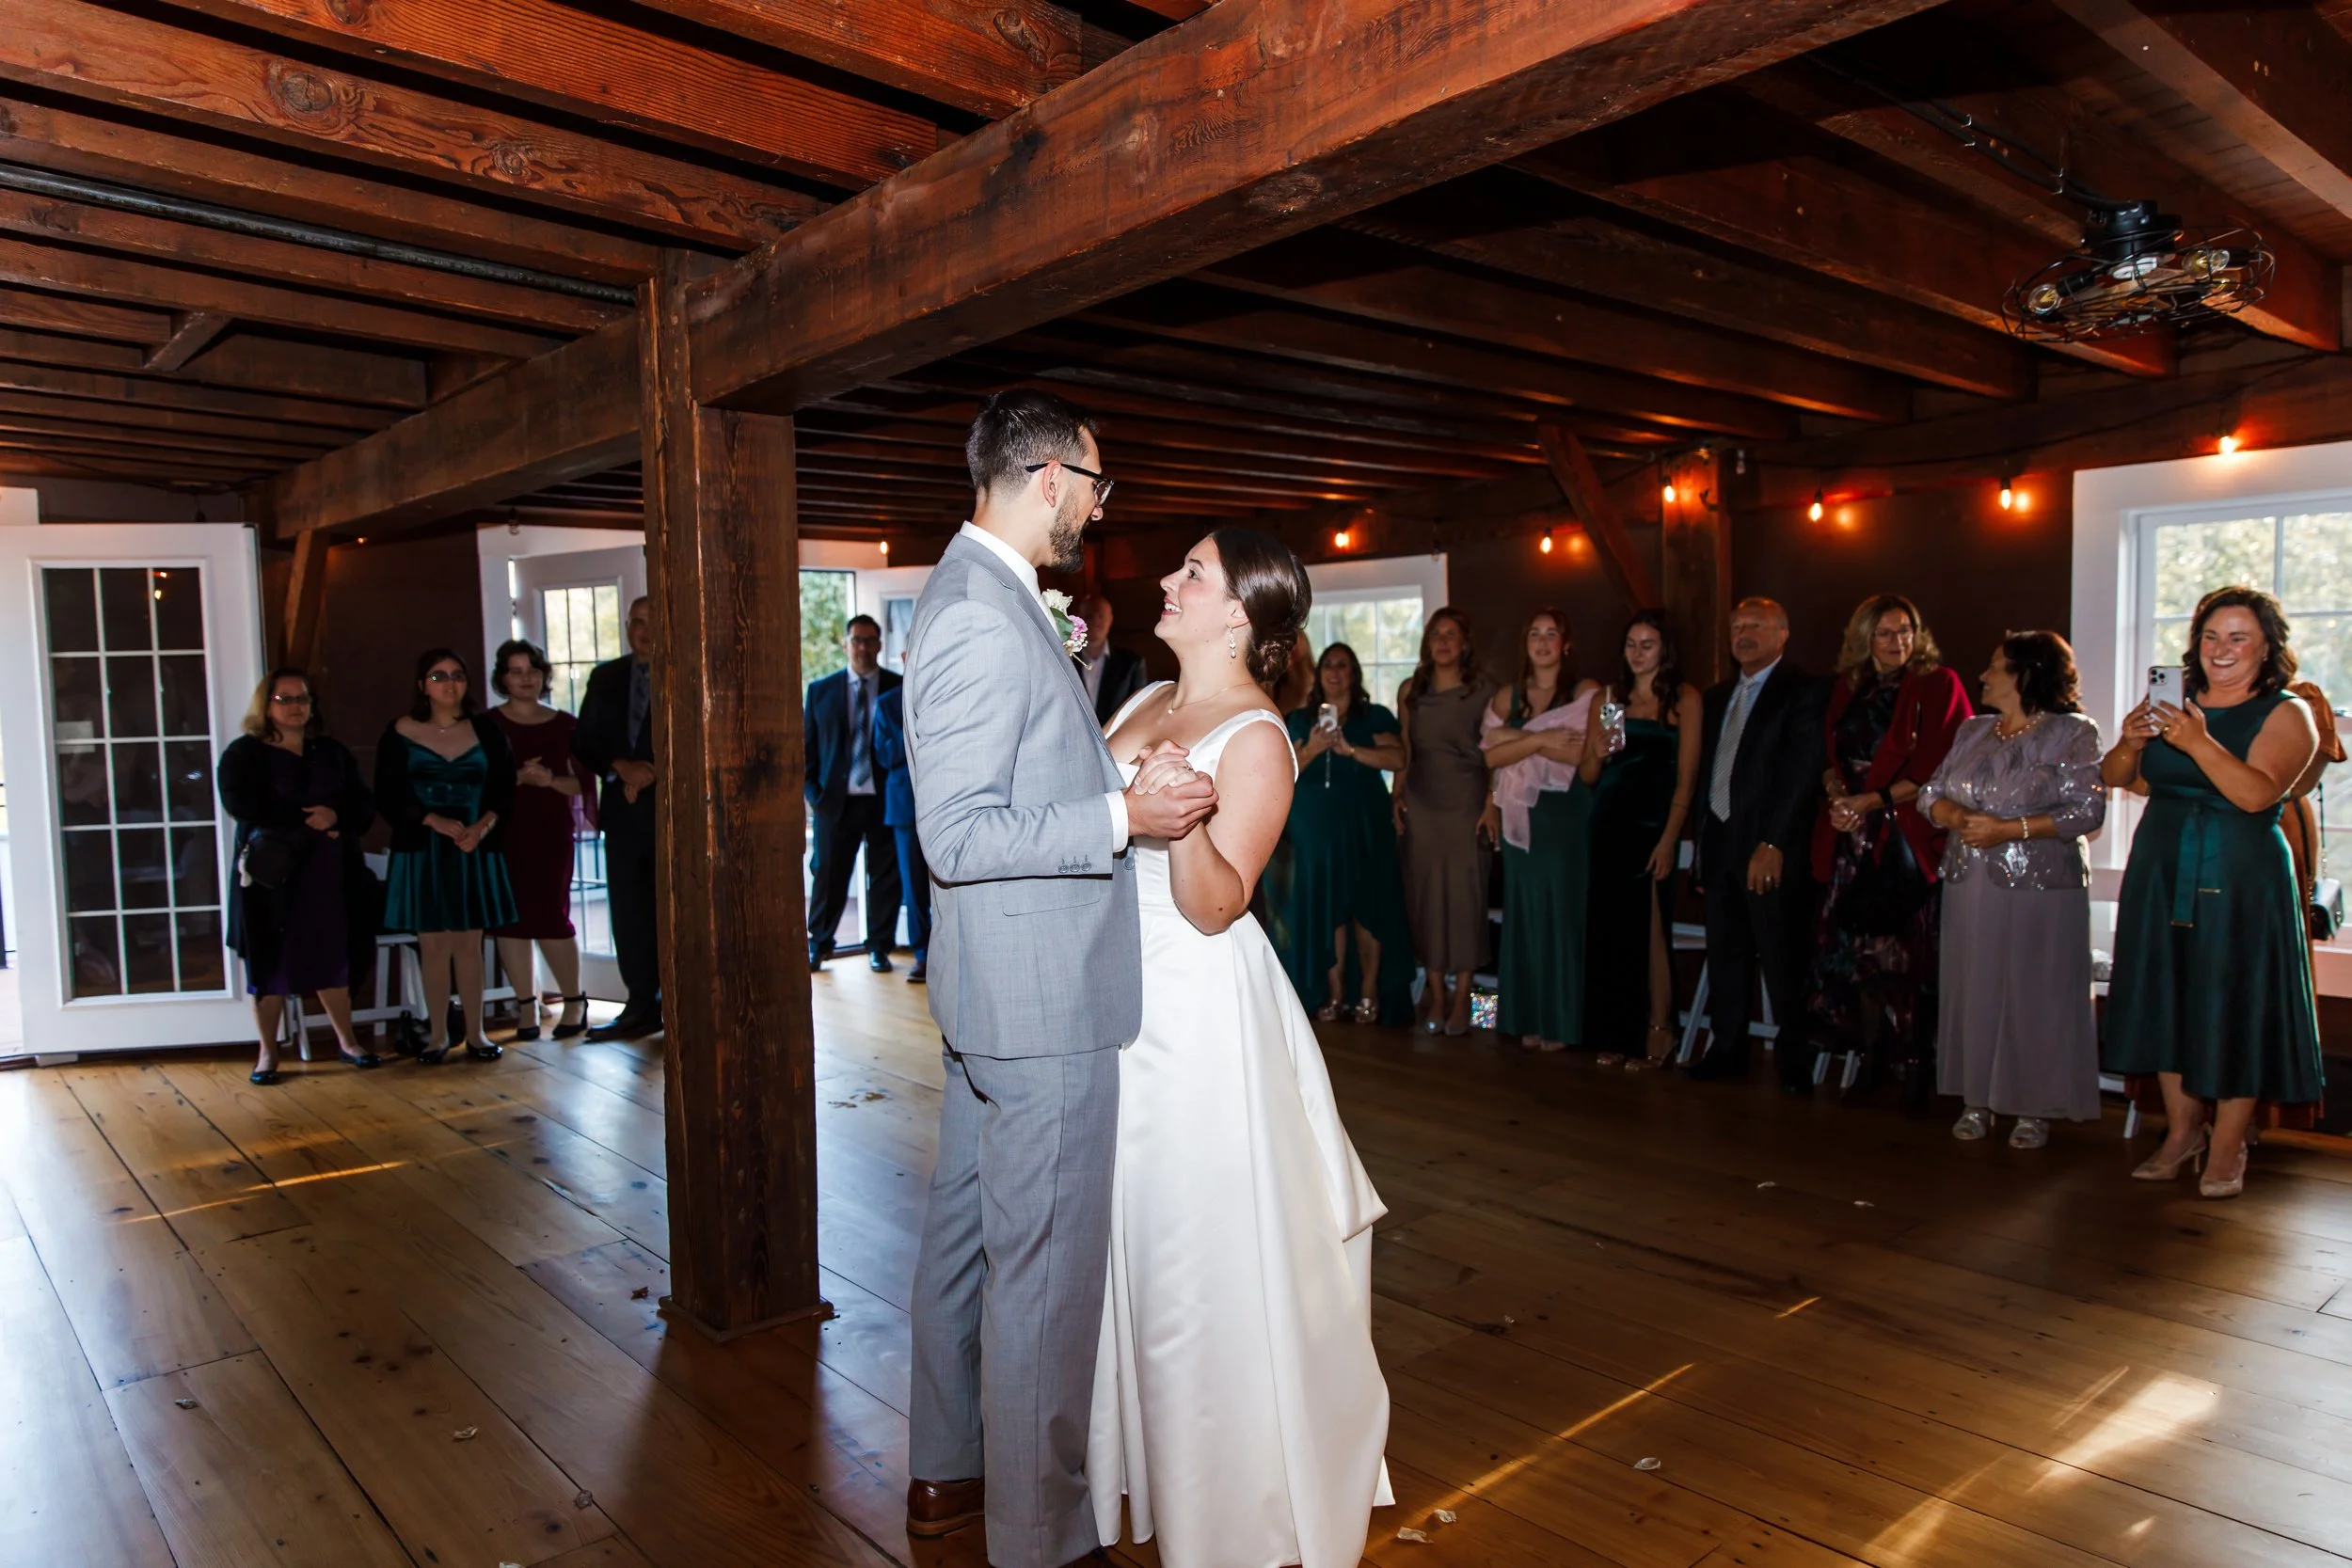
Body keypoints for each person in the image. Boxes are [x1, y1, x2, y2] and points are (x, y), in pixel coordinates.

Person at [902, 388, 1216, 1568]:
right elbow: (963, 834)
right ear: (1046, 478)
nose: (1097, 507)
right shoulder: (984, 614)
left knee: (965, 1238)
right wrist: (1120, 814)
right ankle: (1040, 1539)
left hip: (999, 987)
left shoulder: (983, 594)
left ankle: (948, 1468)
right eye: (1095, 485)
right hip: (1039, 1000)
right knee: (1042, 1275)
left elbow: (1020, 760)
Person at [1090, 529, 1391, 1568]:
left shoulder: (1258, 737)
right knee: (1127, 1236)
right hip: (1116, 1003)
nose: (1166, 580)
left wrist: (1178, 822)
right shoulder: (1135, 703)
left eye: (1192, 573)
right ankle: (1148, 1466)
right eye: (1172, 564)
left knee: (1193, 1257)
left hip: (1196, 1020)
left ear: (1238, 616)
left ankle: (1228, 1500)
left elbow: (1220, 904)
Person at [2103, 586, 2325, 1199]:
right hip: (2162, 864)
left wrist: (2197, 740)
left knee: (2234, 1002)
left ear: (2266, 648)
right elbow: (2120, 779)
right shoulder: (2171, 703)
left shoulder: (2286, 711)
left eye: (2238, 637)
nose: (2220, 649)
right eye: (2209, 636)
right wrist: (2131, 739)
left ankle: (2227, 1144)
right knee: (2166, 993)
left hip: (2241, 873)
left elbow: (2257, 795)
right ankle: (2181, 1132)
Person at [1918, 633, 2105, 1148]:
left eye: (1996, 667)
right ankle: (1977, 1098)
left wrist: (2010, 830)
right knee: (1973, 986)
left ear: (2027, 674)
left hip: (2042, 884)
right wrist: (1954, 815)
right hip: (1969, 878)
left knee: (2034, 991)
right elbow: (1931, 790)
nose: (1983, 675)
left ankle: (2034, 1105)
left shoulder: (2072, 733)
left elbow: (2088, 812)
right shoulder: (1974, 730)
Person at [1804, 594, 1972, 1106]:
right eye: (1885, 632)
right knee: (1859, 958)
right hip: (1850, 834)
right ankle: (1871, 1058)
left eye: (1906, 631)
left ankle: (1917, 1066)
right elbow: (1831, 759)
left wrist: (1867, 802)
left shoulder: (1938, 683)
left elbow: (1935, 767)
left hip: (1904, 839)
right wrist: (1839, 799)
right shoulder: (1848, 687)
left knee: (1910, 959)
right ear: (1864, 638)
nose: (1898, 641)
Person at [217, 668, 383, 1082]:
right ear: (266, 705)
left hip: (329, 875)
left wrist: (337, 816)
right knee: (269, 965)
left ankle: (347, 1041)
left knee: (333, 956)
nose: (296, 707)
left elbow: (363, 805)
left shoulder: (332, 752)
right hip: (272, 877)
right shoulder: (244, 754)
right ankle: (268, 1053)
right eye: (285, 699)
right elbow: (241, 804)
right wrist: (307, 818)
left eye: (302, 699)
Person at [1691, 598, 1827, 1089]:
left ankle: (1794, 1063)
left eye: (1755, 626)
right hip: (1722, 840)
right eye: (1736, 627)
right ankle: (1726, 1050)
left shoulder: (1804, 691)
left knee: (1781, 956)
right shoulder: (1715, 696)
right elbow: (1708, 773)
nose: (1743, 634)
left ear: (1782, 633)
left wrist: (1773, 842)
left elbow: (1800, 772)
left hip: (1770, 845)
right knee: (1725, 953)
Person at [376, 647, 517, 1064]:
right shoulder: (399, 730)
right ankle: (438, 1035)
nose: (449, 683)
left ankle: (476, 1034)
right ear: (422, 686)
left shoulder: (487, 730)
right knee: (433, 945)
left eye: (457, 675)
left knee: (469, 945)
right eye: (438, 676)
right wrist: (430, 819)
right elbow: (387, 793)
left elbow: (505, 788)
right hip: (423, 850)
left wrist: (483, 826)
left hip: (473, 847)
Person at [1579, 610, 1703, 1069]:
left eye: (1647, 644)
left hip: (1652, 830)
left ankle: (1660, 1030)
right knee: (1610, 931)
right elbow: (1590, 775)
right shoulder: (1608, 699)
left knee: (1650, 932)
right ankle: (1616, 1032)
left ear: (1664, 650)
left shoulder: (1683, 700)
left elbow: (1687, 781)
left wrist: (1670, 839)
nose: (1637, 653)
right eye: (1631, 643)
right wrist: (1596, 749)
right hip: (1608, 822)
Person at [1479, 608, 1598, 1053]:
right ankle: (1518, 1018)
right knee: (1523, 917)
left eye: (1552, 633)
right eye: (1535, 633)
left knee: (1561, 915)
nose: (1543, 641)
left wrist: (1517, 743)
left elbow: (1590, 758)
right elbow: (1488, 755)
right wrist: (1543, 741)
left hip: (1565, 816)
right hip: (1516, 819)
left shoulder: (1589, 692)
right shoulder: (1509, 696)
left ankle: (1562, 1023)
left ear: (1566, 643)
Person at [1280, 641, 1411, 1024]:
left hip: (1365, 825)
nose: (1334, 672)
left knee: (1367, 907)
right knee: (1329, 910)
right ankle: (1335, 992)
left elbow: (1398, 757)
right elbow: (1281, 770)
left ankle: (1369, 990)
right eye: (1327, 666)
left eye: (1342, 665)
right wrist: (1314, 748)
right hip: (1315, 831)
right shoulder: (1301, 720)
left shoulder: (1374, 716)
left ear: (1353, 673)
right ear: (1319, 675)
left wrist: (1349, 749)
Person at [1394, 607, 1494, 1036]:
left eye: (1452, 633)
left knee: (1467, 901)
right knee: (1426, 900)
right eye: (1436, 633)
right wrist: (1395, 795)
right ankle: (1434, 993)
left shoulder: (1487, 691)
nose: (1443, 640)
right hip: (1422, 804)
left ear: (1466, 643)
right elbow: (1404, 751)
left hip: (1470, 804)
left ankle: (1466, 1001)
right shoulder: (1410, 690)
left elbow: (1497, 756)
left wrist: (1493, 805)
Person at [486, 638, 589, 1041]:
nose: (526, 678)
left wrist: (548, 780)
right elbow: (479, 785)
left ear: (544, 675)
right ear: (503, 678)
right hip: (504, 832)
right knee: (510, 920)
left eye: (532, 670)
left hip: (550, 834)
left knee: (551, 916)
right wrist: (516, 777)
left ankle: (574, 1001)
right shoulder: (487, 725)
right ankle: (526, 1006)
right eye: (516, 671)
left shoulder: (566, 724)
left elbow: (582, 785)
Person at [572, 595, 661, 1040]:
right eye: (637, 622)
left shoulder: (686, 674)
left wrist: (652, 771)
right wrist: (621, 767)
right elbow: (584, 740)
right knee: (629, 912)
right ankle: (640, 1005)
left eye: (653, 622)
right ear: (627, 626)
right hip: (622, 814)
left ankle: (680, 1005)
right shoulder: (605, 677)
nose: (644, 631)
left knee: (673, 912)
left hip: (672, 814)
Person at [805, 614, 905, 972]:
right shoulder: (821, 690)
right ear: (846, 645)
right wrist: (814, 794)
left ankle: (879, 946)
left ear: (879, 645)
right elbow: (808, 750)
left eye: (869, 640)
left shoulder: (900, 686)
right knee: (829, 876)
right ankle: (818, 944)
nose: (862, 647)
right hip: (835, 802)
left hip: (883, 800)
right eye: (856, 640)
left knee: (884, 877)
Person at [871, 679, 929, 984]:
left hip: (945, 800)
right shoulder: (887, 702)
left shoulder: (944, 687)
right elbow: (885, 755)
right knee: (914, 887)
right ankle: (923, 955)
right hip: (905, 807)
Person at [1078, 590, 1149, 726]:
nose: (1096, 622)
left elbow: (1140, 711)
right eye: (1089, 616)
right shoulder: (1064, 660)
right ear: (1078, 618)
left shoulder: (1131, 663)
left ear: (1110, 620)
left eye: (1101, 616)